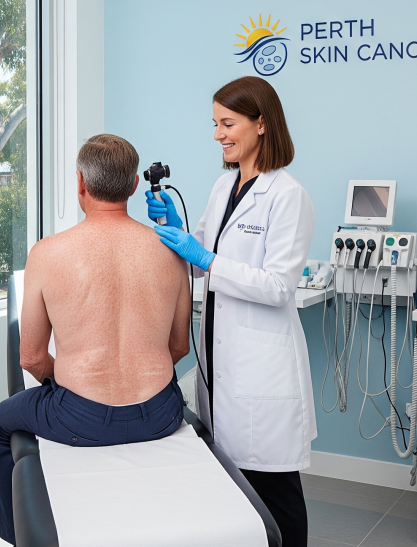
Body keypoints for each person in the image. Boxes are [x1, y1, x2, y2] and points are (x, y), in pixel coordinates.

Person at [0, 134, 191, 545]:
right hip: (161, 415)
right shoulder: (173, 250)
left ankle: (13, 538)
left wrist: (70, 383)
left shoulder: (47, 253)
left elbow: (31, 357)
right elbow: (179, 347)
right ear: (134, 185)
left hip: (79, 418)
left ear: (80, 182)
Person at [147, 76, 316, 547]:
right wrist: (179, 234)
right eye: (215, 124)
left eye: (227, 123)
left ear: (261, 124)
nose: (218, 135)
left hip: (262, 368)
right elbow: (198, 262)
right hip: (221, 361)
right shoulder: (224, 187)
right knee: (234, 489)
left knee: (276, 493)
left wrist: (205, 258)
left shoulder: (288, 195)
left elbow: (278, 287)